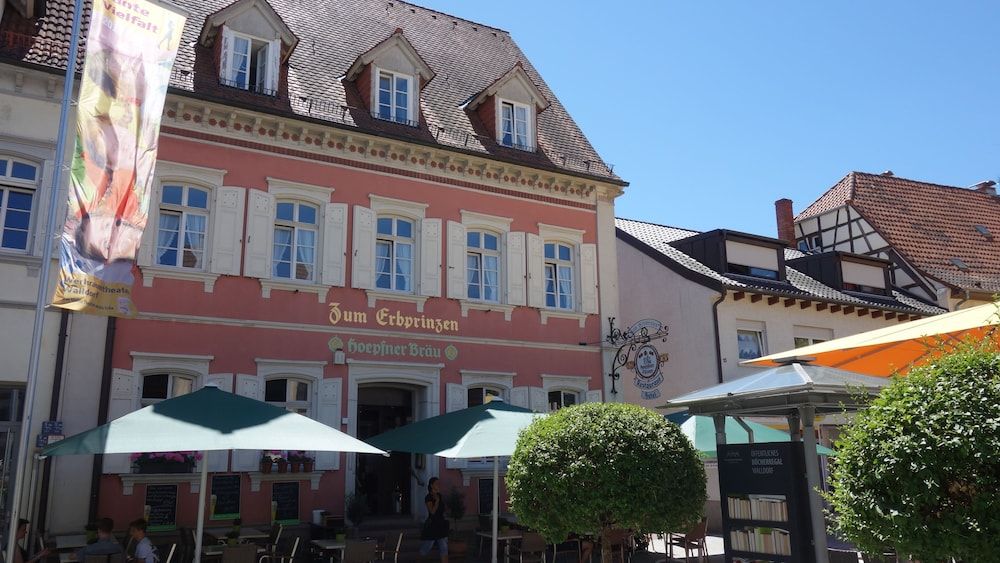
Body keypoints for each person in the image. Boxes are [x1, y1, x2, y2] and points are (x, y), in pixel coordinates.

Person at [419, 477, 448, 563]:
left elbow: (442, 509)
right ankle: (418, 560)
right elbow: (432, 512)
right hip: (433, 525)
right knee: (427, 547)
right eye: (437, 483)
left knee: (444, 548)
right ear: (432, 485)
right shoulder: (428, 497)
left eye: (439, 483)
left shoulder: (440, 495)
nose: (439, 485)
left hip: (441, 524)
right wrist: (437, 501)